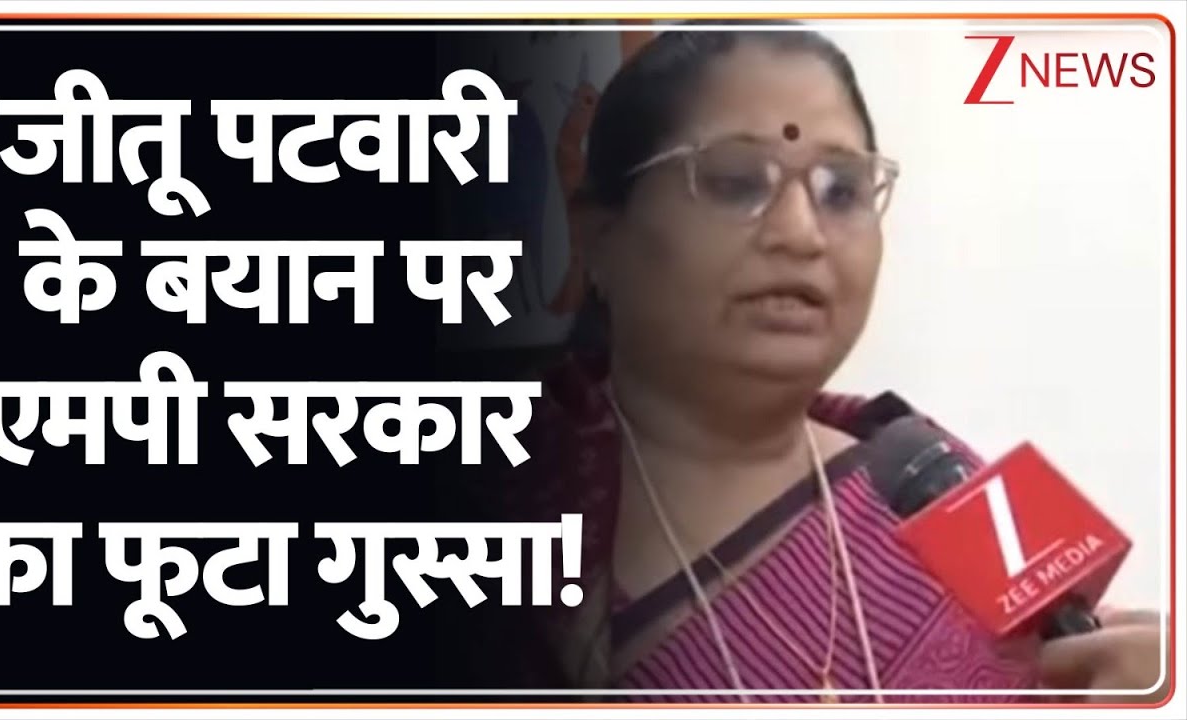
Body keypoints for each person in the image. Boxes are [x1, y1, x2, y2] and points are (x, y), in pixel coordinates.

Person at [479, 21, 1168, 704]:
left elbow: (1075, 667)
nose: (802, 233)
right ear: (598, 233)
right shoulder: (500, 534)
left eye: (842, 190)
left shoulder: (927, 478)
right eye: (734, 181)